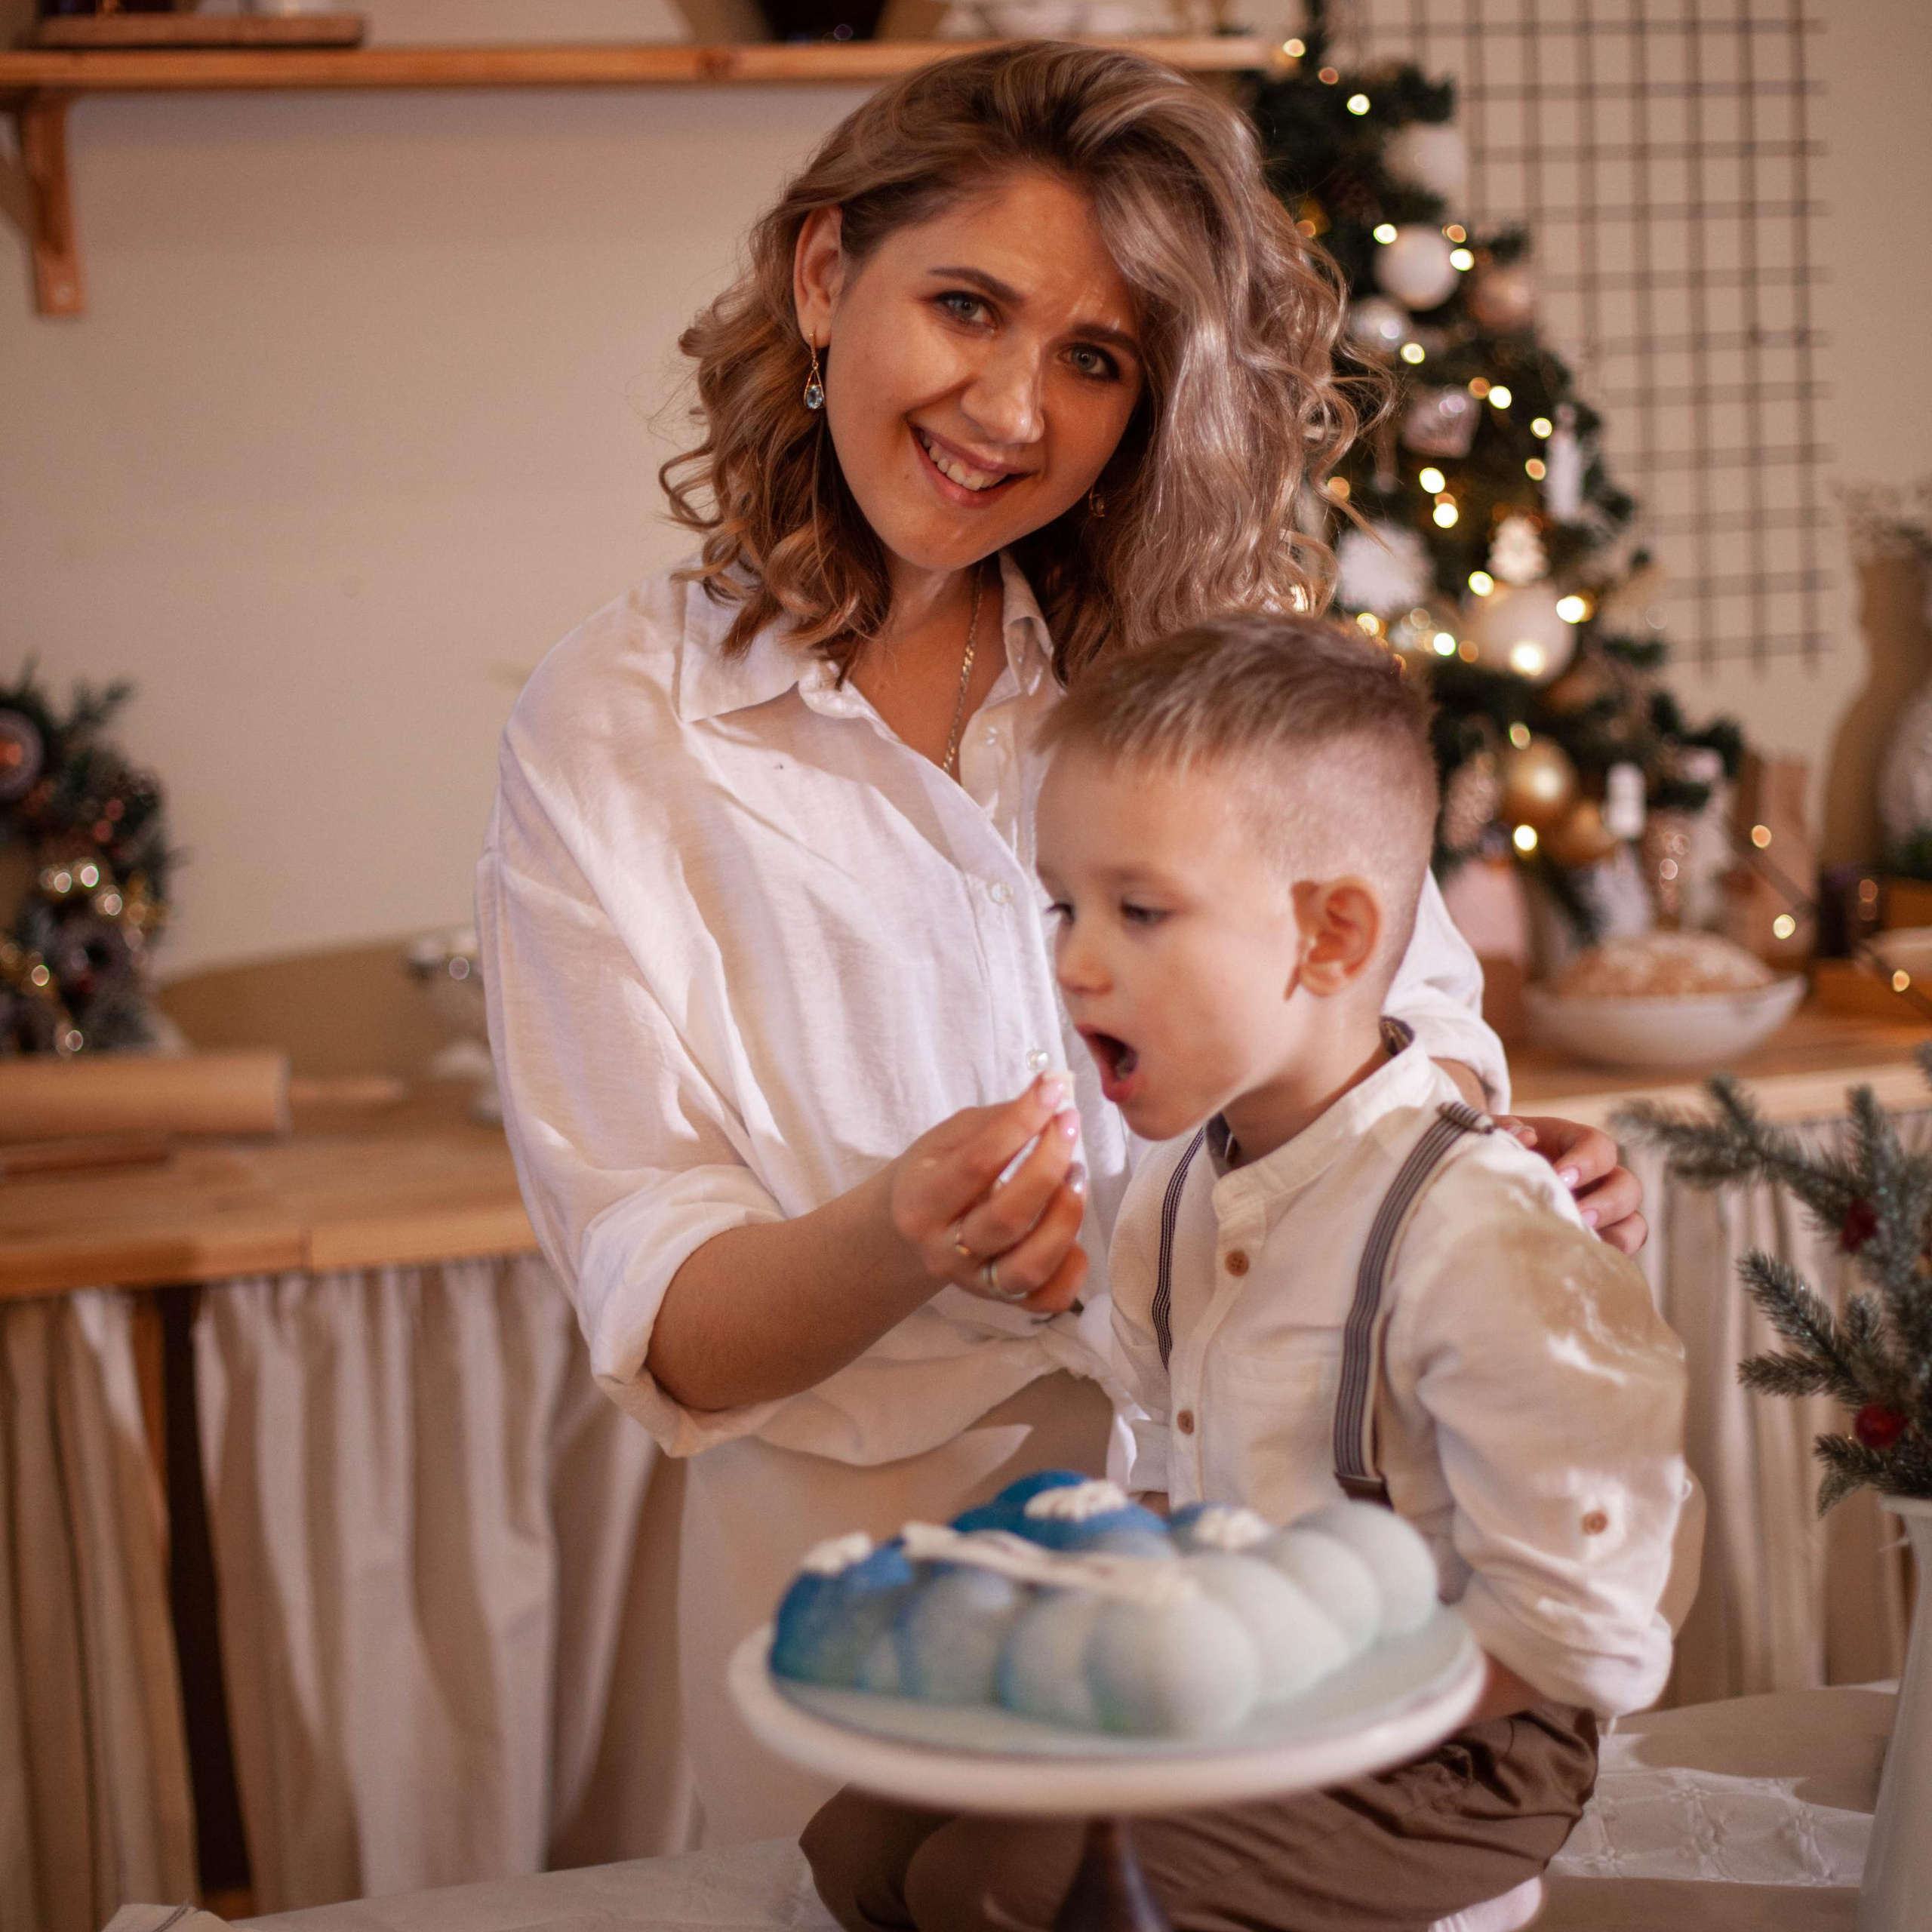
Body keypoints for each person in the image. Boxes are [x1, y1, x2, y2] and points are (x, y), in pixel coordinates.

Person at [475, 42, 1647, 1847]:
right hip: (880, 1628)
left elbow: (1396, 1031)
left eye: (1092, 359)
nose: (1012, 410)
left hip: (1285, 1587)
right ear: (820, 274)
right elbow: (672, 1326)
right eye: (966, 305)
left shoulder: (1208, 669)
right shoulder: (621, 727)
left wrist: (1497, 1171)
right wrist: (895, 1233)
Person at [802, 618, 1690, 1931]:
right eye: (1065, 905)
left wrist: (1292, 1692)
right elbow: (1173, 1475)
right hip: (1241, 1697)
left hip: (1453, 1751)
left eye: (1139, 911)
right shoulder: (1172, 1192)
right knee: (865, 1850)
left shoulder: (1484, 1234)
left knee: (1013, 1895)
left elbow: (1591, 1627)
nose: (1074, 962)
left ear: (1329, 939)